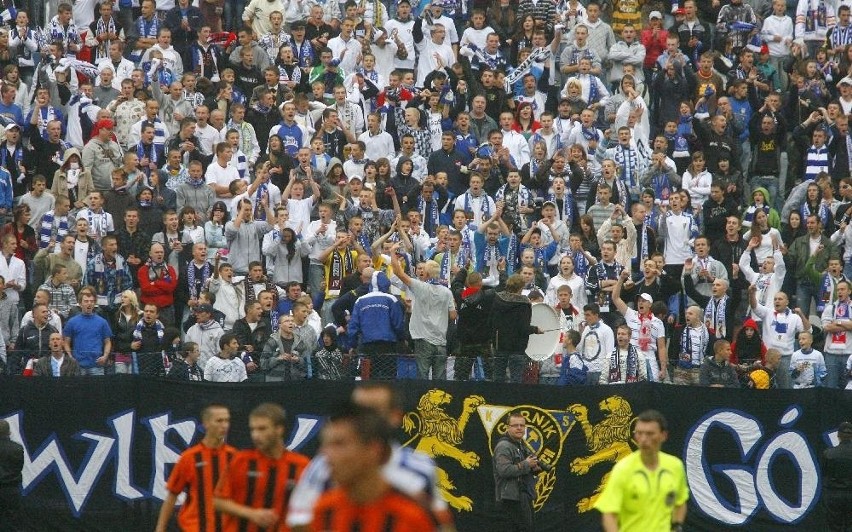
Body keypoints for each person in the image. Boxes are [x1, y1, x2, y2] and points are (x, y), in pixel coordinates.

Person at [288, 382, 450, 529]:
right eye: (356, 411)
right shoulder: (322, 467)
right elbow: (299, 522)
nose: (360, 419)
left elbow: (441, 525)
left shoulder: (420, 469)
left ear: (395, 416)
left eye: (371, 412)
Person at [311, 403, 437, 532]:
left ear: (373, 449)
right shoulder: (324, 510)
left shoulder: (410, 515)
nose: (326, 454)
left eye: (339, 444)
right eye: (325, 445)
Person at [213, 403, 309, 530]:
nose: (256, 435)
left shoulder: (300, 465)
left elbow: (310, 510)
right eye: (253, 429)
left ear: (279, 429)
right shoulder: (241, 460)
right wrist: (251, 514)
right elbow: (217, 501)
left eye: (262, 429)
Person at [595, 410, 689, 532]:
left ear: (663, 436)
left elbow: (680, 501)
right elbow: (609, 513)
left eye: (650, 434)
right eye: (639, 433)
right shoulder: (623, 469)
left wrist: (676, 526)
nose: (644, 439)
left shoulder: (675, 466)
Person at [155, 404, 237, 532]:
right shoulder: (190, 458)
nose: (224, 425)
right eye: (219, 420)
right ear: (206, 423)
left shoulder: (234, 457)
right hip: (194, 527)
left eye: (227, 420)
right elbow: (172, 495)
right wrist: (160, 528)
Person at [389, 243, 456, 380]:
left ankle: (422, 400)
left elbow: (398, 272)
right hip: (441, 341)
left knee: (422, 378)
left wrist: (392, 253)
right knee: (440, 380)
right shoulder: (447, 292)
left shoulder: (421, 287)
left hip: (423, 340)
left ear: (426, 273)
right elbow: (453, 315)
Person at [490, 273, 543, 383]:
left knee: (498, 377)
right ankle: (514, 399)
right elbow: (523, 328)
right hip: (517, 346)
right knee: (516, 378)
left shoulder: (497, 299)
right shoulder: (524, 304)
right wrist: (535, 330)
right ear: (521, 287)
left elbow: (491, 321)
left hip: (500, 344)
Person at [493, 411, 540, 531]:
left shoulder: (521, 445)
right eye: (515, 425)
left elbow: (523, 470)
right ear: (508, 428)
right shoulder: (504, 446)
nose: (519, 428)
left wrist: (535, 468)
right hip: (511, 499)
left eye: (522, 425)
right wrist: (526, 464)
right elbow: (504, 471)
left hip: (522, 496)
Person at [63, 291, 113, 375]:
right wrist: (70, 357)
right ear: (80, 303)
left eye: (92, 301)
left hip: (97, 366)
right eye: (86, 301)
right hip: (78, 366)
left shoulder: (102, 322)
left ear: (94, 303)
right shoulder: (72, 322)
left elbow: (108, 342)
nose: (89, 303)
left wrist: (105, 356)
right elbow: (66, 342)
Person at [821, 421, 852, 532]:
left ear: (838, 435)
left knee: (834, 526)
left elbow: (824, 474)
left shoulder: (828, 454)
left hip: (834, 494)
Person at [0, 419, 24, 531]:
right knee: (12, 522)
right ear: (9, 432)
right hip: (11, 490)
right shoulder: (17, 449)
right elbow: (18, 467)